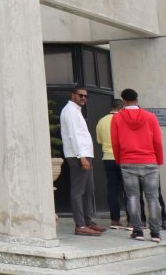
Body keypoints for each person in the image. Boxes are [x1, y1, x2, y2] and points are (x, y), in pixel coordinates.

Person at [111, 88, 163, 243]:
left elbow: (115, 142)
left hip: (128, 161)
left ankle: (138, 231)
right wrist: (158, 160)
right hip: (150, 161)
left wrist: (119, 159)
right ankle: (155, 233)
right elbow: (158, 142)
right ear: (137, 99)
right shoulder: (151, 117)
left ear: (124, 101)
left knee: (132, 197)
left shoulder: (117, 118)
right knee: (153, 198)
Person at [61, 86, 104, 236]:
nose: (84, 98)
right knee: (78, 192)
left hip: (84, 155)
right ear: (73, 95)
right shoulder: (70, 111)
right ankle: (80, 225)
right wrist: (81, 156)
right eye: (81, 95)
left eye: (86, 96)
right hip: (78, 156)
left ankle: (88, 221)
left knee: (88, 190)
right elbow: (73, 135)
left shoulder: (76, 111)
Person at [95, 98, 127, 229]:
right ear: (122, 107)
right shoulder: (124, 120)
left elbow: (99, 141)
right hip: (123, 157)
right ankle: (132, 220)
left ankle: (115, 220)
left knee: (112, 189)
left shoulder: (101, 121)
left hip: (108, 158)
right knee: (129, 190)